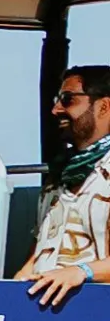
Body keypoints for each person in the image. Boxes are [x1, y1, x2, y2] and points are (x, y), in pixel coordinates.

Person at [22, 64, 110, 305]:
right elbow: (39, 250)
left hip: (95, 315)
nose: (56, 109)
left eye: (68, 99)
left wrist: (82, 271)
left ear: (104, 106)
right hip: (45, 315)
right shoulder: (59, 174)